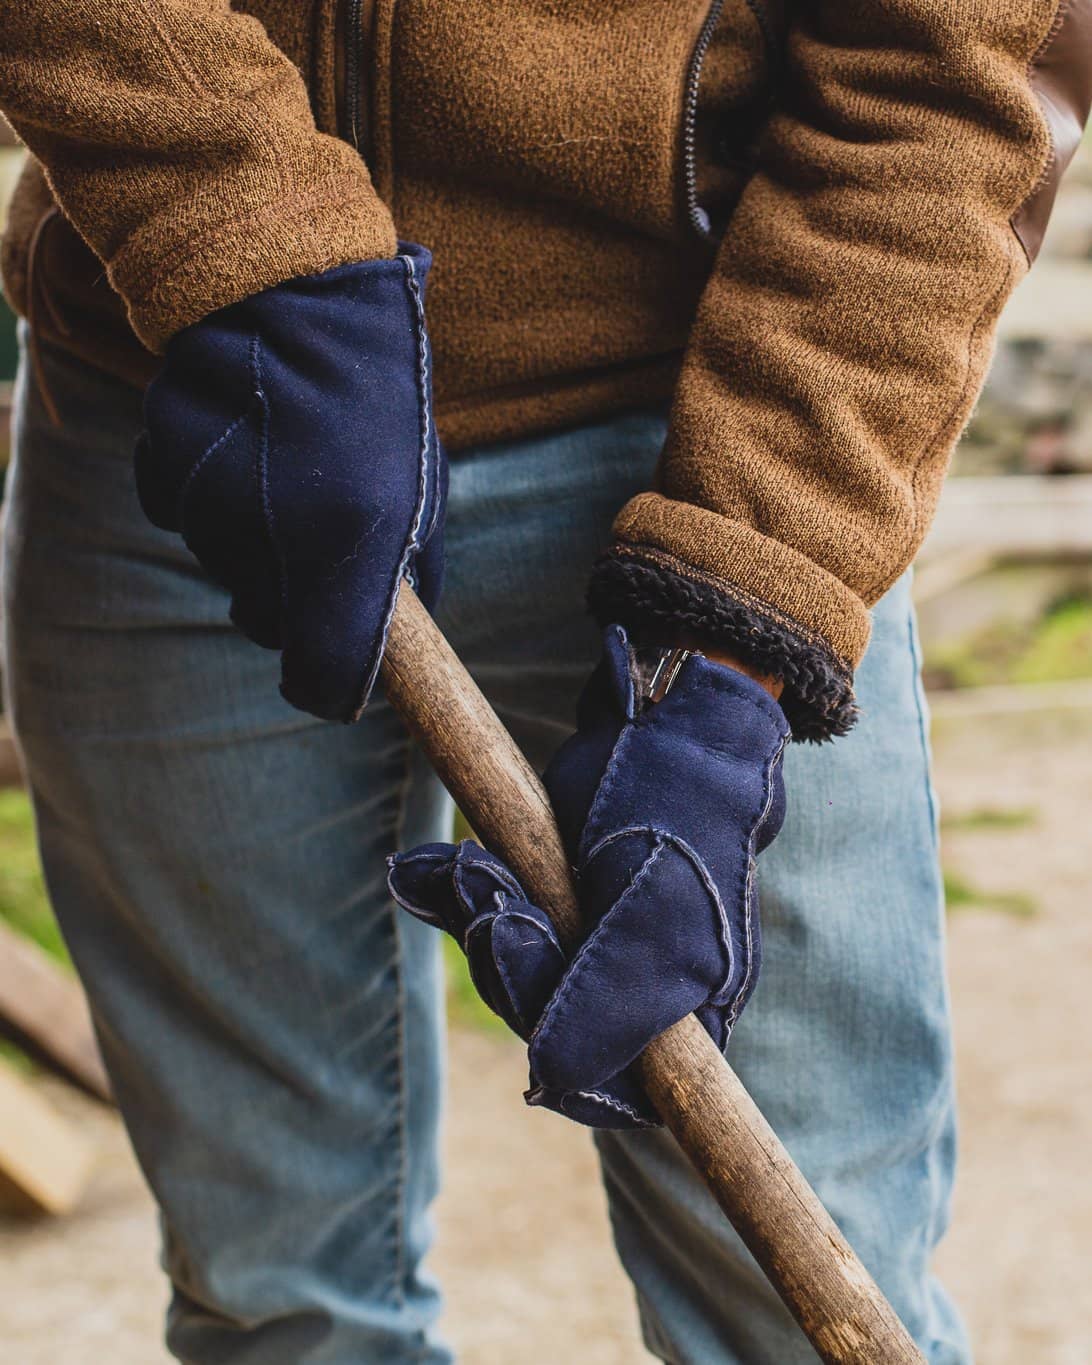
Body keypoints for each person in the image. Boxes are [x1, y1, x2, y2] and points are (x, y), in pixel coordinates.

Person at [0, 3, 1087, 1361]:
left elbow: (938, 74)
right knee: (278, 1301)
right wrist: (236, 228)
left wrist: (744, 626)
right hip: (202, 384)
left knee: (799, 1312)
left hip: (712, 415)